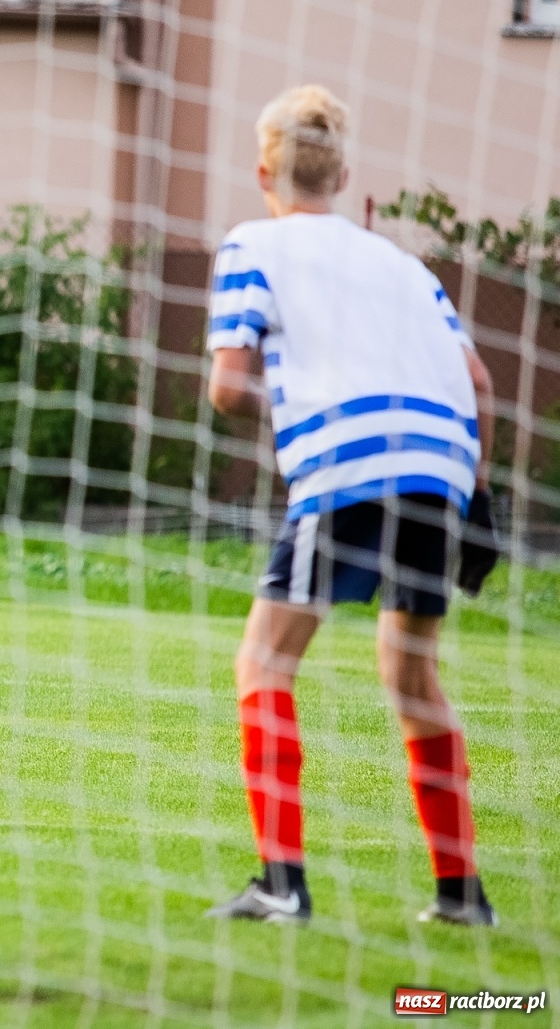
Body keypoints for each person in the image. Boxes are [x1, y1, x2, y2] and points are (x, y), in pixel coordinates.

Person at [204, 85, 501, 926]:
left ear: (264, 170)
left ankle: (280, 886)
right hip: (442, 467)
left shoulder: (252, 242)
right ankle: (461, 897)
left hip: (349, 459)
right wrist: (479, 495)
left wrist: (301, 405)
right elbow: (478, 380)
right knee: (411, 673)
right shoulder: (404, 266)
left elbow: (227, 386)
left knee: (265, 661)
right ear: (343, 176)